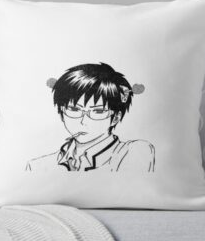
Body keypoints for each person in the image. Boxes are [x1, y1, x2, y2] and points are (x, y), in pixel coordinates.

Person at [25, 62, 155, 172]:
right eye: (74, 109)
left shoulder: (132, 152)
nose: (83, 121)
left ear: (115, 117)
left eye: (97, 111)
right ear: (62, 112)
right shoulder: (37, 166)